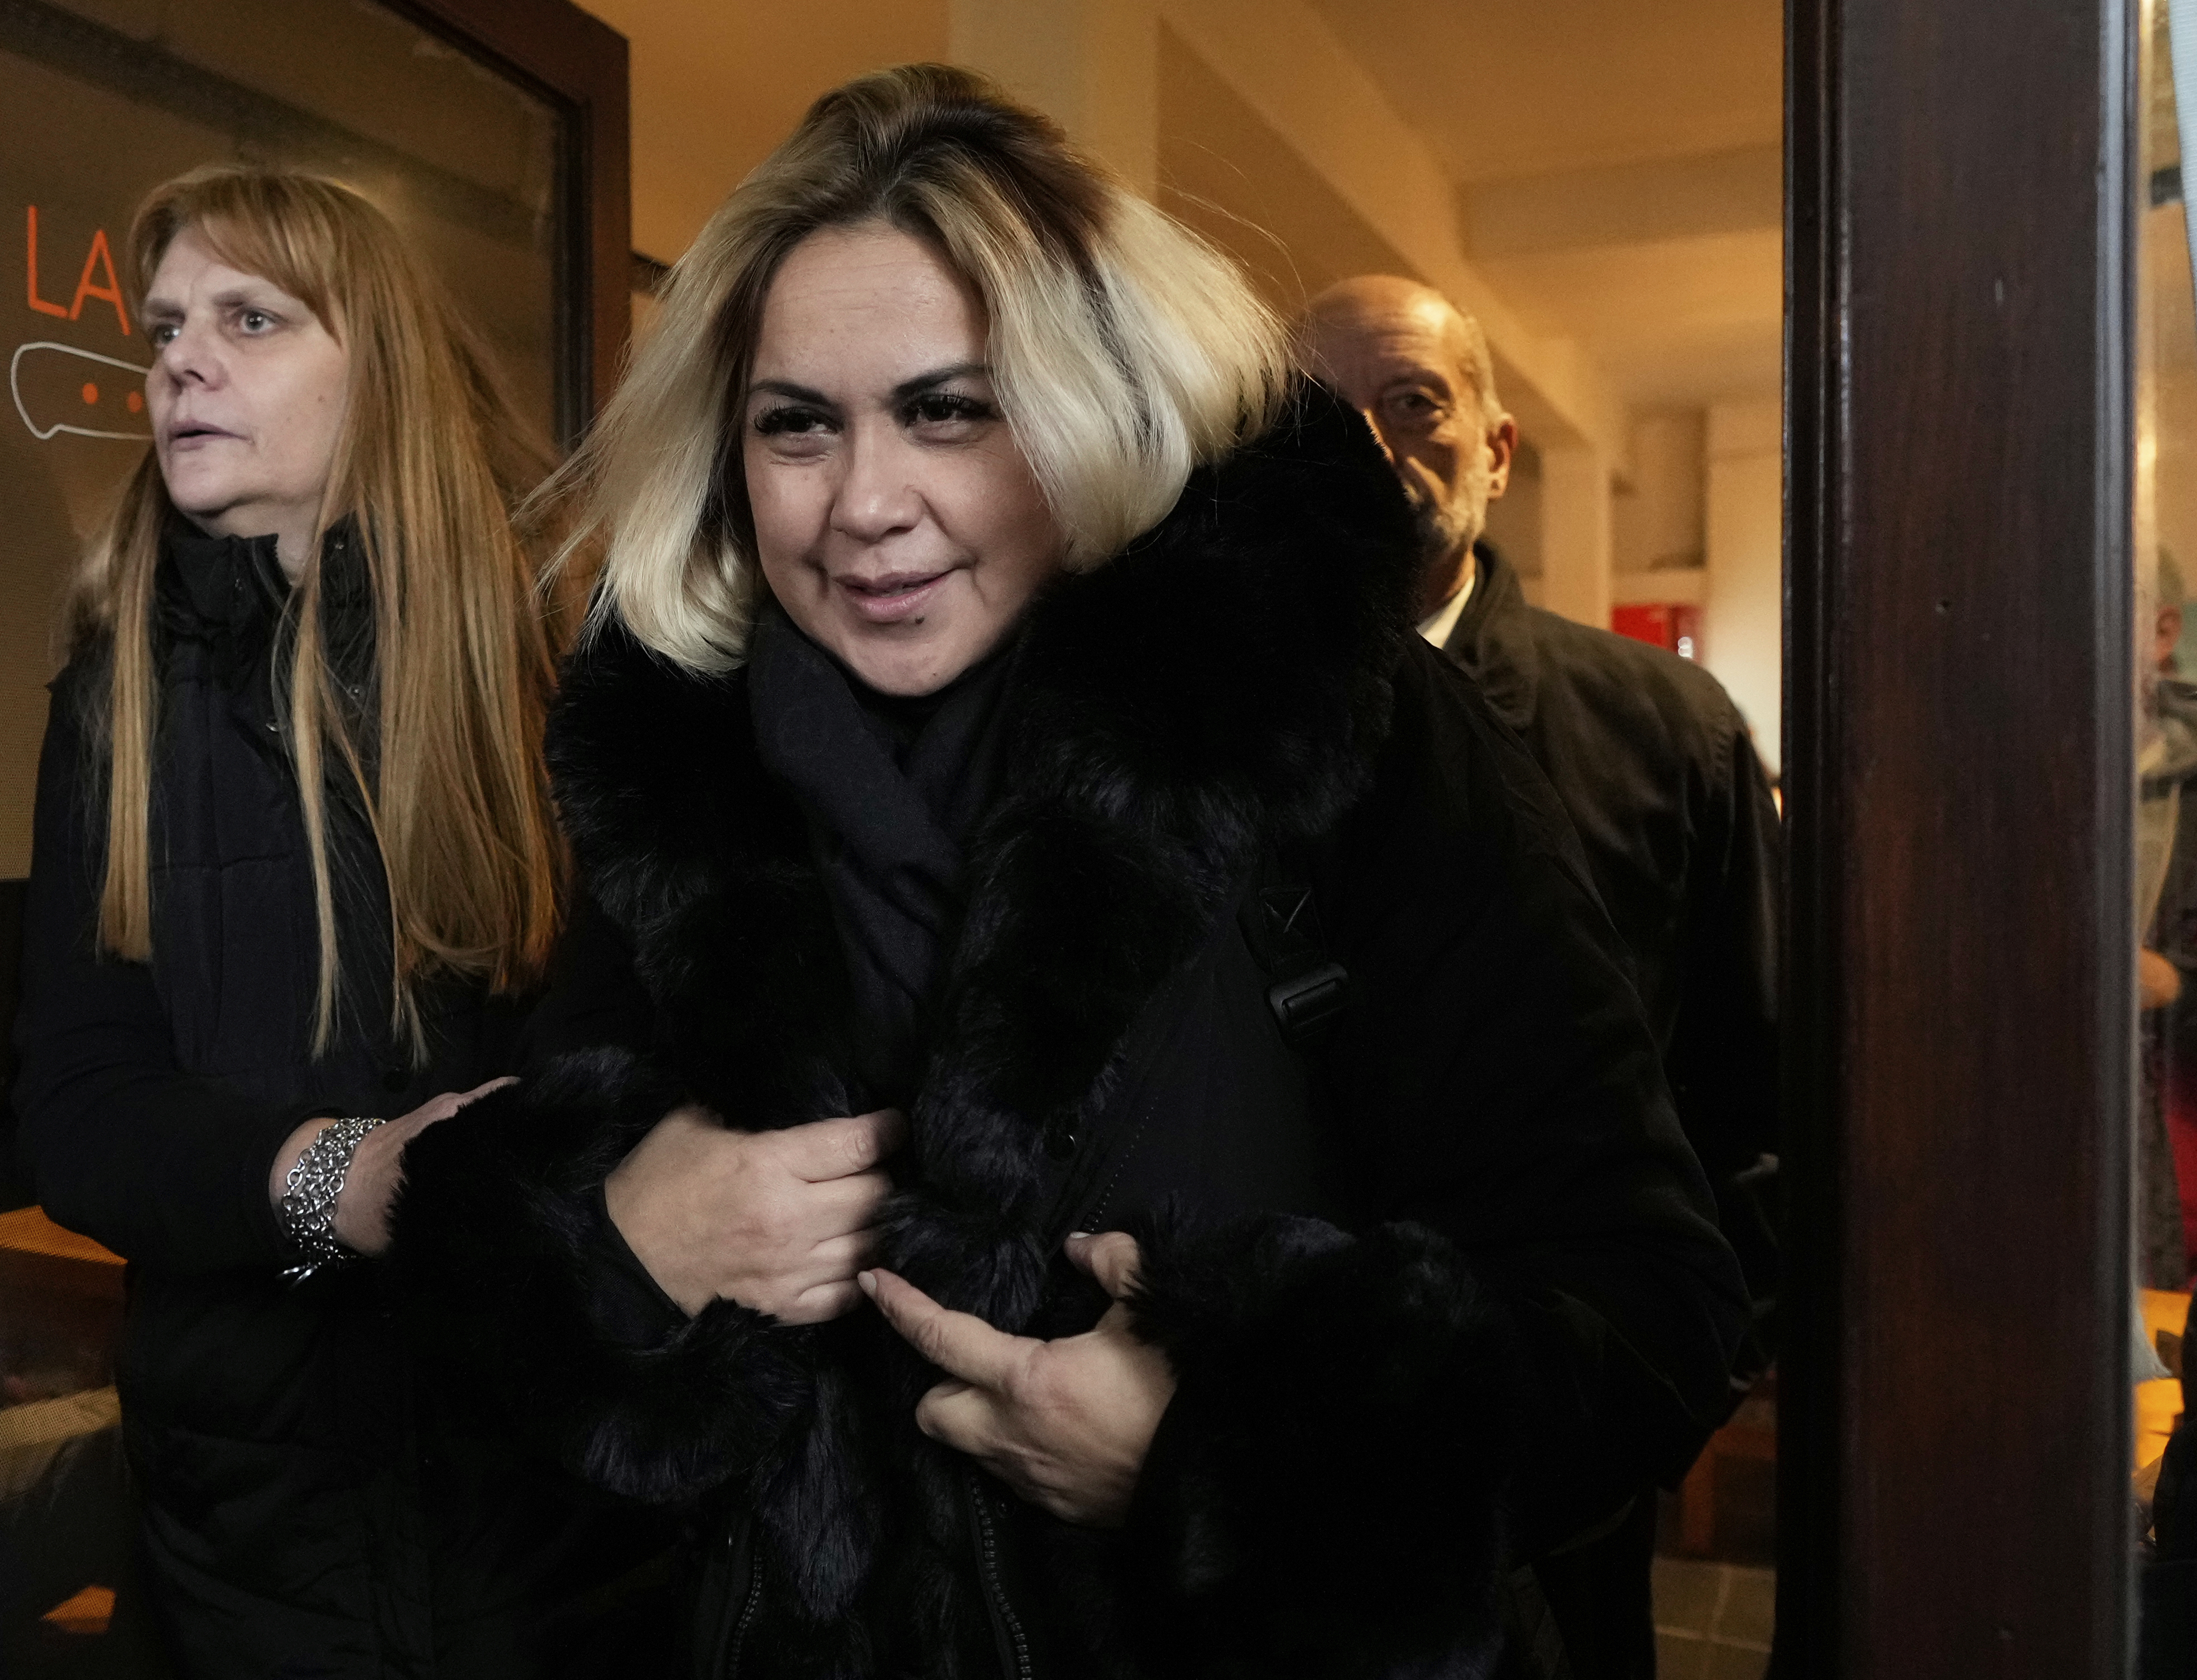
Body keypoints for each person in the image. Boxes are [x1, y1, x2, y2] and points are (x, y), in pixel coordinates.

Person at [391, 66, 1748, 1679]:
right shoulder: (685, 792)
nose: (864, 505)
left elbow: (1646, 1304)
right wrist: (617, 1244)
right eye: (796, 424)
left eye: (948, 410)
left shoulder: (1324, 727)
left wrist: (1219, 1461)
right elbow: (500, 1372)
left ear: (1084, 412)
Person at [13, 166, 623, 1674]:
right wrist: (339, 1180)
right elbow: (81, 1105)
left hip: (554, 1509)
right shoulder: (115, 699)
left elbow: (654, 1054)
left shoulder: (567, 654)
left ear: (383, 368)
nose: (181, 363)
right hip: (245, 1530)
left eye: (251, 318)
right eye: (165, 329)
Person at [1302, 275, 1786, 1678]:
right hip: (1263, 1457)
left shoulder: (1661, 731)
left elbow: (1756, 1107)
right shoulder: (1199, 733)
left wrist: (1648, 1403)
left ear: (1496, 451)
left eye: (1412, 404)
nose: (1367, 447)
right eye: (1319, 416)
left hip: (1559, 1468)